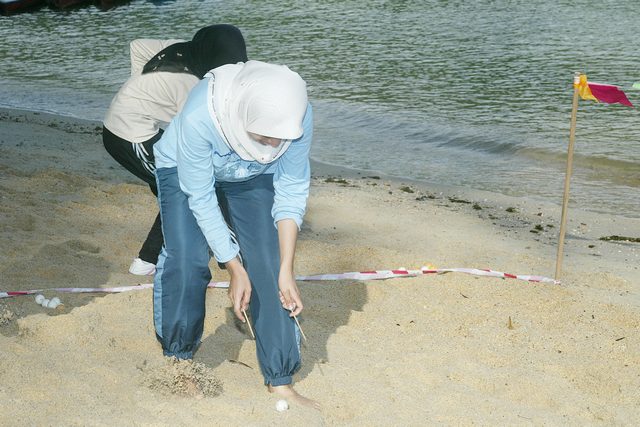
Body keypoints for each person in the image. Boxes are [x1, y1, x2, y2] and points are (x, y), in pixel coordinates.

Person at [152, 60, 318, 408]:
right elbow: (201, 197)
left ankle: (280, 378)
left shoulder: (297, 114)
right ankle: (179, 361)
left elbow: (291, 190)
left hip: (253, 174)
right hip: (186, 170)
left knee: (269, 263)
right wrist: (233, 266)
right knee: (188, 257)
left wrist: (285, 268)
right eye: (264, 136)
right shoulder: (201, 115)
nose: (274, 143)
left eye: (281, 138)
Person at [102, 24, 248, 275]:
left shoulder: (182, 48)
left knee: (177, 187)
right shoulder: (190, 84)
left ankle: (165, 255)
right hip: (129, 135)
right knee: (184, 186)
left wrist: (141, 86)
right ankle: (148, 261)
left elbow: (137, 46)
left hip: (140, 125)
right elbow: (196, 131)